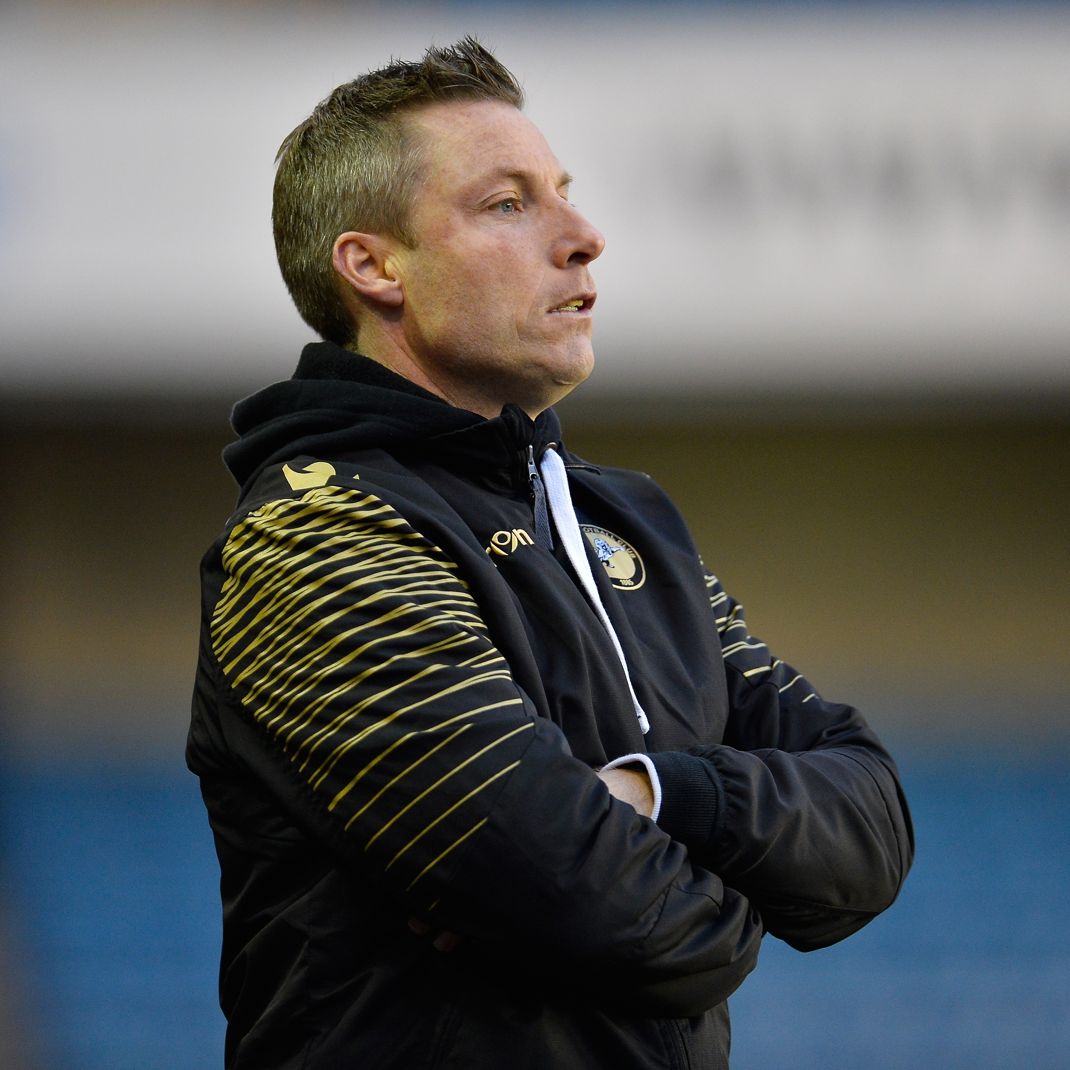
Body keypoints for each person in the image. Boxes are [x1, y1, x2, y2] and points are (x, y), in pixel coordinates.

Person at [188, 37, 913, 1070]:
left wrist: (658, 795)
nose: (583, 237)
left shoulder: (628, 520)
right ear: (374, 266)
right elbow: (621, 916)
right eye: (507, 204)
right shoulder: (316, 534)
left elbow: (872, 821)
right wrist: (745, 896)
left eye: (563, 194)